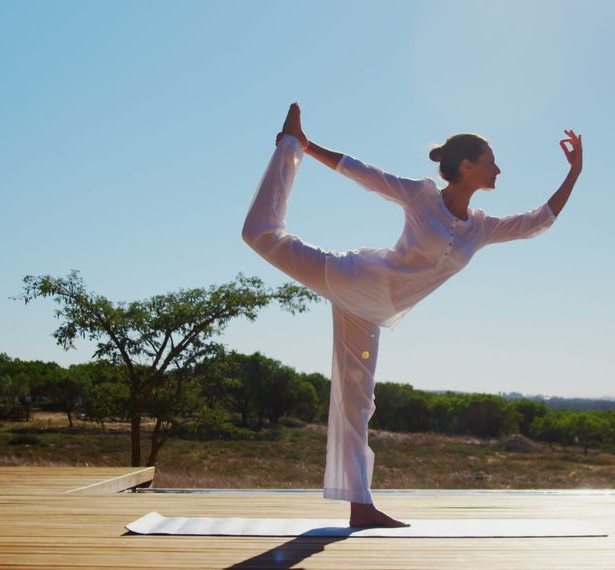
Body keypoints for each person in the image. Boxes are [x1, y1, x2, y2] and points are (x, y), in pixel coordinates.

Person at [242, 103, 582, 527]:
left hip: (373, 312)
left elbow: (537, 221)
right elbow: (363, 173)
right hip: (353, 279)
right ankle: (288, 143)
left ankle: (360, 508)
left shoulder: (481, 227)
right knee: (260, 234)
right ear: (467, 165)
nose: (499, 170)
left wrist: (575, 172)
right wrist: (304, 147)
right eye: (491, 162)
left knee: (357, 404)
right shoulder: (421, 196)